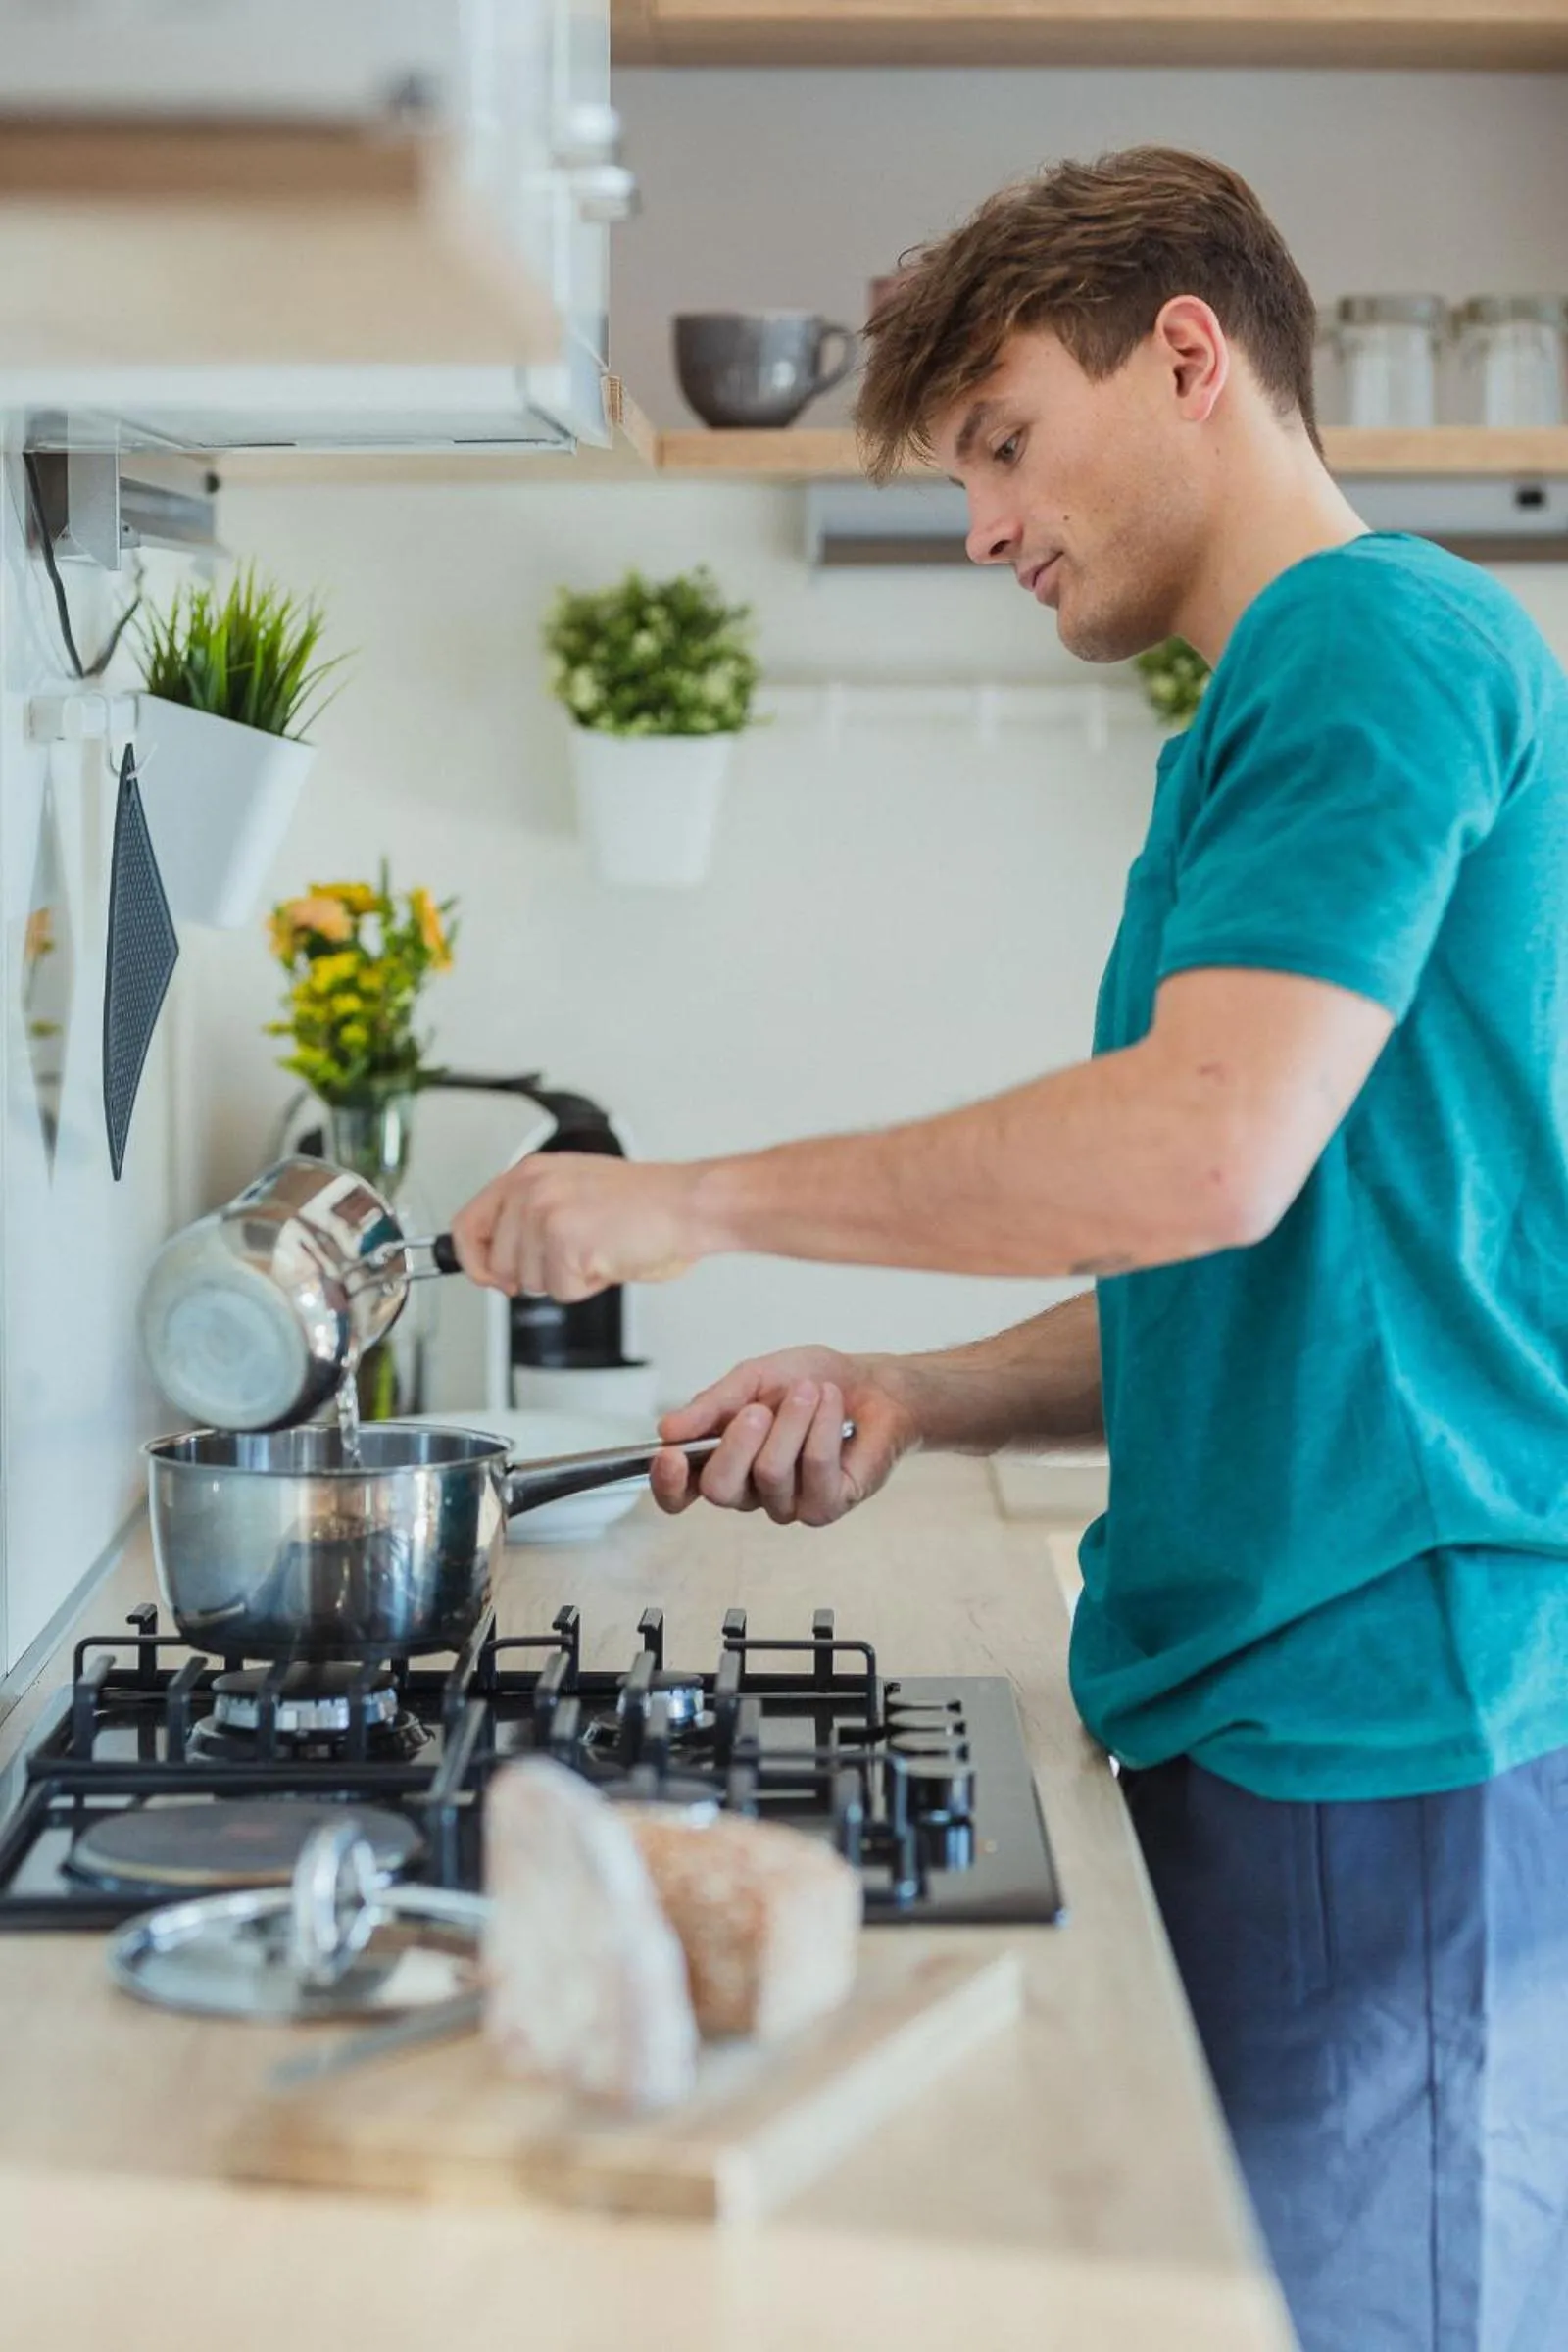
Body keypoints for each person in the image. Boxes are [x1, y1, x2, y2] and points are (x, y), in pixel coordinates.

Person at [451, 147, 1568, 2352]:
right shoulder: (1253, 712)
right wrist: (914, 1392)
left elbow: (1201, 1151)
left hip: (1384, 1701)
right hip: (1292, 1687)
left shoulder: (1368, 635)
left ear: (1183, 358)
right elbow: (1271, 1258)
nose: (975, 524)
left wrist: (690, 1198)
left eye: (999, 441)